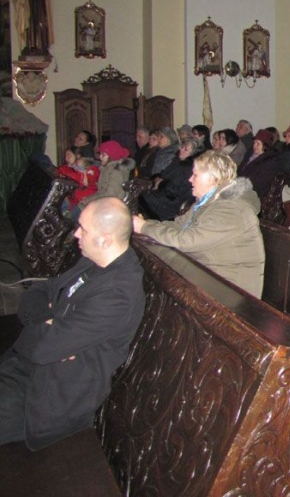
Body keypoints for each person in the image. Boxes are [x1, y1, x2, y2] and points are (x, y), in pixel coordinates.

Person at [0, 197, 145, 450]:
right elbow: (39, 290)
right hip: (29, 367)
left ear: (106, 239)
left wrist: (48, 327)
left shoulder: (119, 295)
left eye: (83, 229)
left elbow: (41, 349)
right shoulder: (93, 260)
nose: (76, 234)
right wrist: (44, 323)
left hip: (46, 395)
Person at [133, 150, 265, 296]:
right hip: (209, 273)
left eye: (195, 175)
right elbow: (178, 225)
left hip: (231, 290)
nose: (190, 179)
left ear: (212, 179)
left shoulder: (231, 209)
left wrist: (144, 227)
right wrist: (145, 224)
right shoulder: (208, 202)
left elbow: (186, 241)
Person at [140, 137, 203, 221]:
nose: (181, 150)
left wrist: (161, 184)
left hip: (173, 202)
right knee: (140, 192)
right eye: (182, 147)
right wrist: (157, 179)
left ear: (193, 154)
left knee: (141, 196)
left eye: (186, 149)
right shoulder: (178, 161)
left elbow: (174, 189)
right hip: (165, 194)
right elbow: (163, 173)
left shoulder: (188, 167)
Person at [238, 129, 281, 199]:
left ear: (265, 146)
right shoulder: (249, 154)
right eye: (254, 142)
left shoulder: (270, 162)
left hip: (252, 194)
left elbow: (259, 184)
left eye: (258, 143)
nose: (254, 145)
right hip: (239, 186)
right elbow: (240, 170)